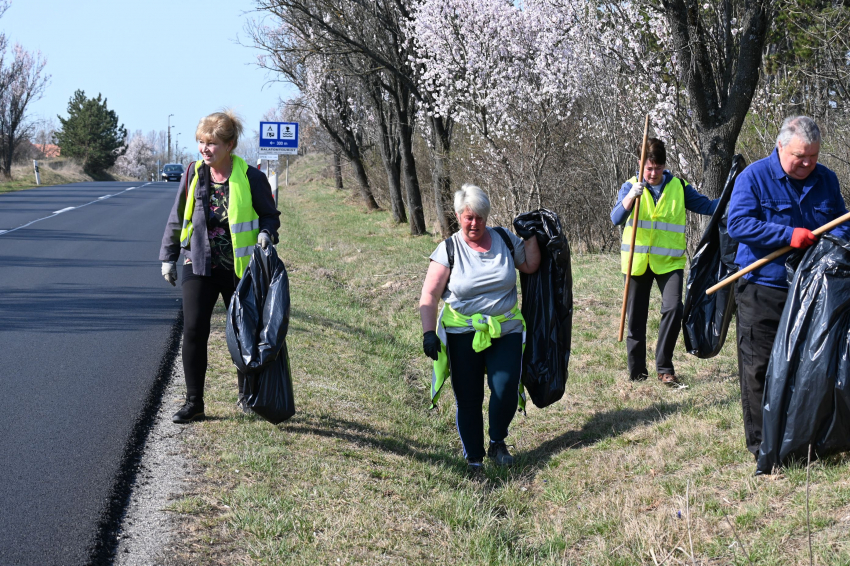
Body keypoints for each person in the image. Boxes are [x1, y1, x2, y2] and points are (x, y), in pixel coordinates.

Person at [727, 115, 850, 458]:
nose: (807, 163)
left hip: (813, 290)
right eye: (800, 156)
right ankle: (763, 446)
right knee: (760, 367)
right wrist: (787, 235)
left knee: (807, 366)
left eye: (813, 156)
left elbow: (841, 227)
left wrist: (831, 245)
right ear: (780, 146)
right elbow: (738, 225)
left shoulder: (826, 179)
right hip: (763, 287)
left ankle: (805, 440)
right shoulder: (753, 177)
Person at [160, 110, 281, 424]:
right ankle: (194, 403)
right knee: (193, 330)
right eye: (201, 142)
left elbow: (270, 215)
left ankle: (248, 396)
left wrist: (267, 234)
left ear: (230, 145)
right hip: (198, 262)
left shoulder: (251, 177)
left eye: (212, 143)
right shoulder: (193, 173)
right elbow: (177, 218)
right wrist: (168, 256)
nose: (205, 149)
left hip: (240, 269)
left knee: (244, 335)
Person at [419, 184, 540, 473]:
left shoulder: (503, 239)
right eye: (468, 217)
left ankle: (497, 442)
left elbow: (530, 266)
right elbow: (429, 295)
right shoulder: (448, 248)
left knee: (505, 387)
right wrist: (427, 333)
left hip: (504, 328)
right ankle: (473, 456)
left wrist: (532, 231)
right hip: (462, 332)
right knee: (469, 396)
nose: (474, 223)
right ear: (459, 216)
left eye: (480, 218)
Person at [611, 137, 718, 386]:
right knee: (635, 318)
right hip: (637, 262)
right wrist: (630, 199)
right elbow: (616, 217)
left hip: (669, 262)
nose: (653, 173)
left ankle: (665, 368)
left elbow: (707, 205)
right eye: (648, 168)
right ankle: (637, 372)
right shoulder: (630, 186)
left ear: (664, 165)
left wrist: (735, 202)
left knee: (674, 308)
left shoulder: (678, 187)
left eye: (658, 168)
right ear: (640, 164)